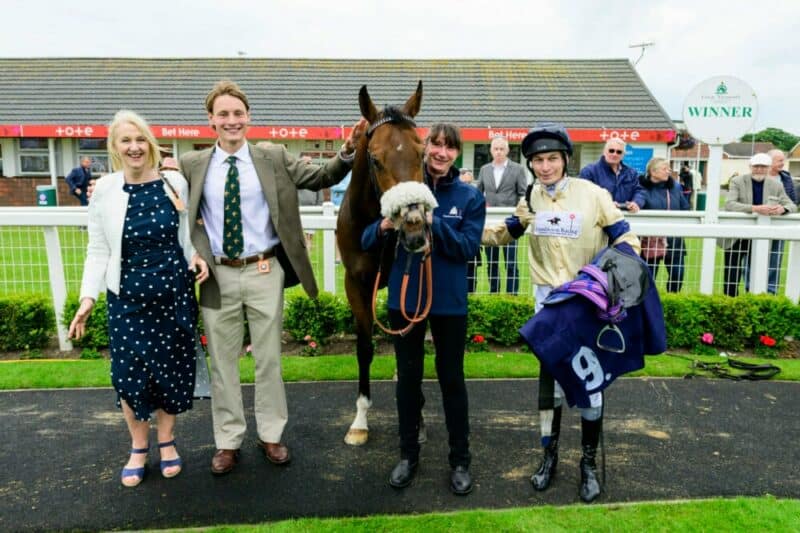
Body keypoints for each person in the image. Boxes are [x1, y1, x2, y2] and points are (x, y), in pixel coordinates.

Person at [179, 80, 366, 475]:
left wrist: (348, 152)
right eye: (223, 114)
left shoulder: (273, 156)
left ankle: (271, 435)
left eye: (238, 113)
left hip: (265, 271)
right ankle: (227, 441)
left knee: (269, 361)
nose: (232, 121)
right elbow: (165, 200)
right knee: (222, 364)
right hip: (217, 276)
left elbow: (320, 176)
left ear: (248, 117)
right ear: (210, 119)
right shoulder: (190, 165)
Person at [482, 122, 640, 503]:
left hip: (586, 305)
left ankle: (587, 464)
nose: (545, 166)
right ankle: (548, 458)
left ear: (565, 159)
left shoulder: (594, 194)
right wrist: (461, 231)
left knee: (590, 385)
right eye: (538, 160)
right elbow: (505, 233)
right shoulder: (532, 197)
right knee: (550, 386)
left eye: (552, 158)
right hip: (548, 308)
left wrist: (609, 274)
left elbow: (626, 238)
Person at [68, 110, 209, 487]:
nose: (134, 147)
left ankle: (167, 442)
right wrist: (87, 299)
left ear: (150, 144)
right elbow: (97, 249)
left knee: (169, 373)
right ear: (114, 147)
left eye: (140, 139)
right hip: (127, 301)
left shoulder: (173, 182)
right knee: (130, 376)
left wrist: (195, 256)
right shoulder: (105, 192)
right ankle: (137, 446)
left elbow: (185, 236)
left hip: (173, 296)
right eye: (125, 141)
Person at [361, 123, 485, 495]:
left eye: (449, 148)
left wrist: (434, 223)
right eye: (436, 145)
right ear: (425, 148)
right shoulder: (402, 191)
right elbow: (367, 240)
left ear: (456, 154)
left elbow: (466, 248)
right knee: (408, 380)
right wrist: (384, 225)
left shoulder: (469, 197)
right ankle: (407, 455)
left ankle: (460, 459)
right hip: (406, 298)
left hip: (448, 301)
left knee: (452, 380)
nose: (441, 153)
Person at [721, 153, 796, 297]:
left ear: (768, 168)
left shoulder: (776, 184)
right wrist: (755, 208)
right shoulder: (737, 181)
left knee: (759, 267)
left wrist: (783, 209)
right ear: (750, 167)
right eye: (756, 166)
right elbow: (730, 204)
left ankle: (755, 298)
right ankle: (729, 300)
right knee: (732, 269)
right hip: (738, 233)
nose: (759, 169)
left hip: (761, 235)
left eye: (763, 167)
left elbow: (791, 205)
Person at [476, 137, 527, 294]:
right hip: (490, 223)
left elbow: (523, 194)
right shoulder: (484, 169)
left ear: (507, 150)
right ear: (491, 150)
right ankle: (494, 292)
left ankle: (512, 294)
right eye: (495, 149)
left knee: (511, 262)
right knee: (491, 262)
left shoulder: (518, 169)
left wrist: (518, 217)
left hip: (510, 223)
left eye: (501, 149)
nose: (498, 152)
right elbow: (478, 194)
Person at [639, 157, 690, 293]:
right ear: (653, 172)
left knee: (677, 277)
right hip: (650, 242)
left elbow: (685, 208)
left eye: (669, 168)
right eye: (664, 169)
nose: (669, 171)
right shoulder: (641, 188)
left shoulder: (676, 187)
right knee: (648, 280)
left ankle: (671, 304)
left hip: (674, 241)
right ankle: (649, 308)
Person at [579, 138, 645, 212]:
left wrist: (636, 203)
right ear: (604, 152)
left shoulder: (632, 173)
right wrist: (606, 204)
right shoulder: (589, 171)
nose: (614, 154)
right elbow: (583, 195)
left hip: (624, 218)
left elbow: (639, 191)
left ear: (623, 155)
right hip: (599, 219)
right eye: (611, 151)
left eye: (619, 152)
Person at [765, 149, 797, 294]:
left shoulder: (786, 177)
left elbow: (793, 201)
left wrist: (783, 208)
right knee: (753, 257)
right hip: (760, 221)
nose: (782, 163)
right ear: (769, 161)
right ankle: (751, 287)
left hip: (780, 223)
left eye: (783, 160)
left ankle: (771, 290)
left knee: (776, 258)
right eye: (779, 160)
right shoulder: (760, 176)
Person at [293, 154, 324, 252]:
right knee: (300, 238)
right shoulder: (295, 177)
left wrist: (318, 209)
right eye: (306, 162)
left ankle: (308, 258)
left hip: (312, 211)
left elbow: (320, 197)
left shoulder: (316, 178)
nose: (308, 164)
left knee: (309, 237)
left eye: (310, 162)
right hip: (298, 211)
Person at [459, 168, 482, 292]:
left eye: (469, 183)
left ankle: (471, 296)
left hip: (471, 244)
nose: (467, 186)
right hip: (456, 245)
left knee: (471, 275)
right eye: (464, 183)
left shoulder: (476, 197)